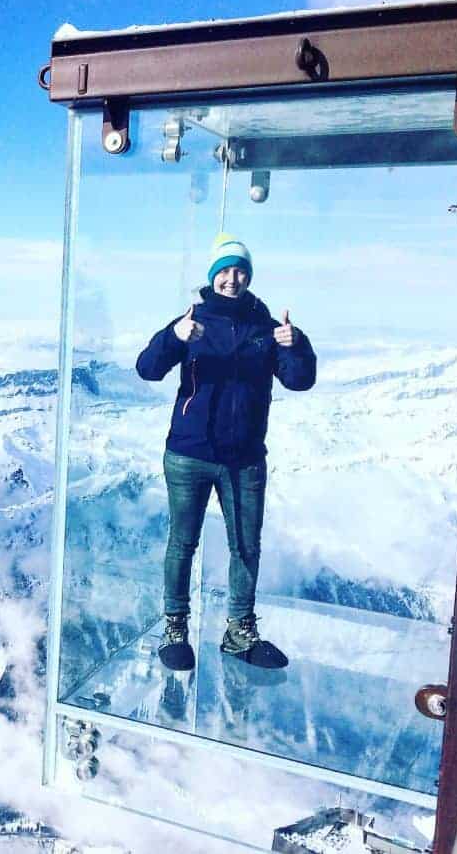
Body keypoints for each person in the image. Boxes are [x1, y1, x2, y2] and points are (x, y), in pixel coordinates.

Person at [135, 233, 316, 671]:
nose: (232, 279)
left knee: (246, 546)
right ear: (213, 276)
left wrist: (297, 344)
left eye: (240, 271)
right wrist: (174, 338)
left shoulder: (266, 327)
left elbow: (298, 381)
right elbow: (148, 368)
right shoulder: (190, 321)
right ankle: (175, 627)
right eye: (225, 271)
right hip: (189, 454)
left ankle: (239, 633)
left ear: (248, 276)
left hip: (245, 457)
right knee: (182, 542)